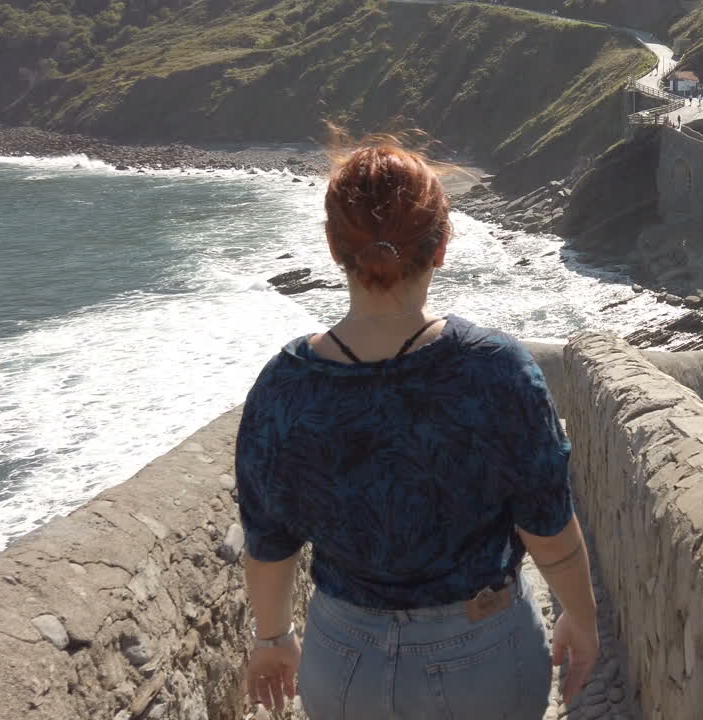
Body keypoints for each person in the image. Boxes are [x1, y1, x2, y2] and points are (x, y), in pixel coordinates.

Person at [236, 132, 599, 719]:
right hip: (484, 657)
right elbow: (547, 524)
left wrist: (273, 637)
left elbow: (269, 540)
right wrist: (580, 616)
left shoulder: (285, 384)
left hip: (341, 660)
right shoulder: (495, 368)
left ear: (333, 246)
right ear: (441, 246)